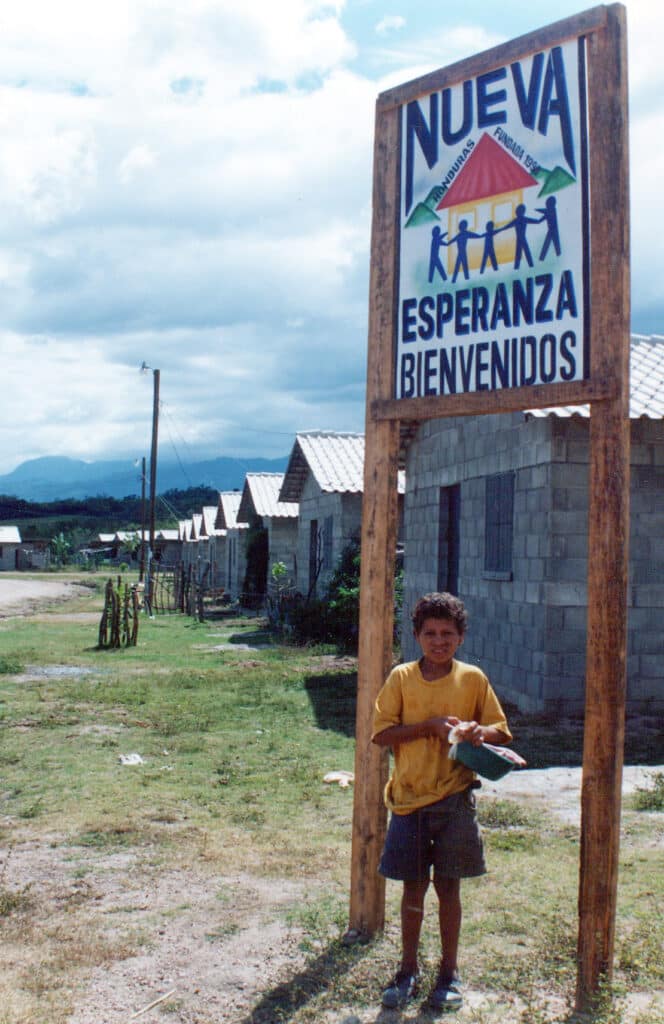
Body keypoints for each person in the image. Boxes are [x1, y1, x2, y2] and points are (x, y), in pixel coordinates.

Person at [372, 592, 512, 1011]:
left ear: (461, 637)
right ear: (416, 636)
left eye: (447, 634)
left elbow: (502, 732)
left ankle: (449, 973)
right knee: (413, 888)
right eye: (430, 633)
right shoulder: (401, 678)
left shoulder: (472, 680)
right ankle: (407, 969)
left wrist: (477, 731)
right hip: (410, 801)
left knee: (449, 889)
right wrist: (429, 726)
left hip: (455, 801)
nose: (438, 641)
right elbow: (381, 735)